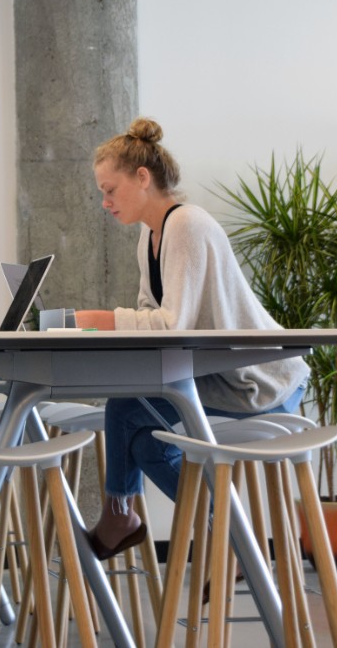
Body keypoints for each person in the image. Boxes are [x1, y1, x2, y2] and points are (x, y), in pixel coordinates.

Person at [75, 117, 310, 560]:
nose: (105, 202)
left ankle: (122, 516)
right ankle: (228, 537)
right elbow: (152, 316)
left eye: (110, 189)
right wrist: (112, 327)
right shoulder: (150, 234)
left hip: (263, 382)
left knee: (126, 407)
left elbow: (170, 325)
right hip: (221, 375)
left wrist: (101, 320)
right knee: (144, 442)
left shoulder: (187, 224)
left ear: (142, 178)